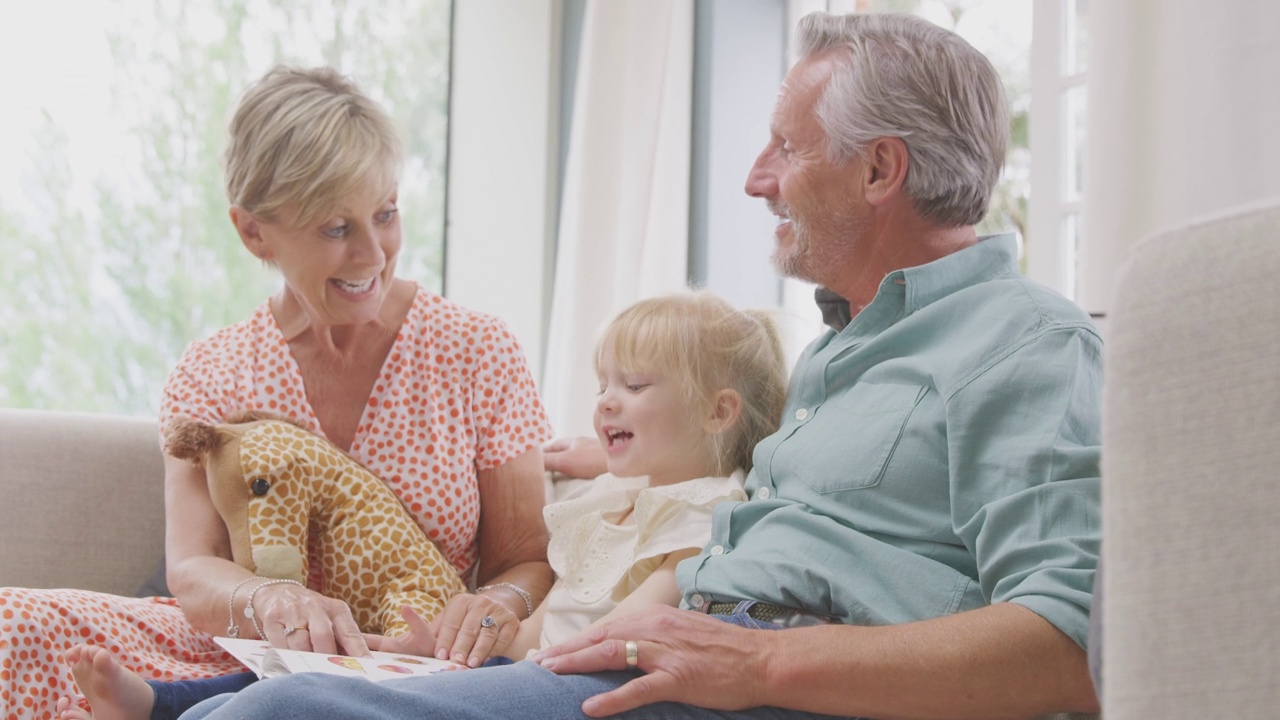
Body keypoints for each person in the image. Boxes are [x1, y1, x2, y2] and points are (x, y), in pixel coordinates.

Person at [179, 11, 1103, 720]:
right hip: (682, 648)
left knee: (276, 714)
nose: (755, 176)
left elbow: (1074, 643)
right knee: (224, 707)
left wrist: (761, 663)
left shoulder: (1027, 345)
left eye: (787, 145)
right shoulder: (842, 354)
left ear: (879, 171)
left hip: (759, 672)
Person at [0, 65, 556, 720]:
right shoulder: (213, 370)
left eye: (385, 214)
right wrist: (269, 600)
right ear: (253, 231)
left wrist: (498, 606)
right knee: (13, 622)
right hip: (236, 650)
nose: (374, 254)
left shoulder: (476, 351)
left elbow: (526, 559)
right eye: (335, 228)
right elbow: (195, 570)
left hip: (412, 660)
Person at [59, 290, 790, 720]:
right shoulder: (616, 501)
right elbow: (535, 625)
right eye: (604, 382)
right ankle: (171, 703)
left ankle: (164, 706)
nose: (605, 400)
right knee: (317, 671)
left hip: (575, 680)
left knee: (302, 699)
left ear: (720, 412)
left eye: (633, 385)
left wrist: (475, 660)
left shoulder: (707, 518)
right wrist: (442, 644)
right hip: (530, 664)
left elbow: (629, 633)